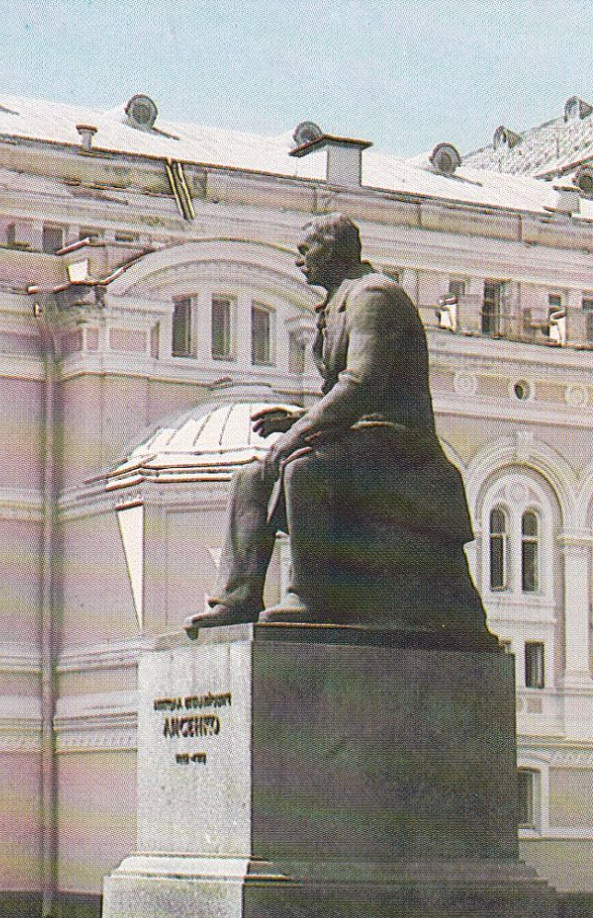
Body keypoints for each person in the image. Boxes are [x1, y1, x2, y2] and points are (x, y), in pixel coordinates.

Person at [186, 213, 489, 637]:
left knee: (302, 468)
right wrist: (296, 421)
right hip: (359, 439)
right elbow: (345, 393)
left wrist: (296, 435)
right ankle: (236, 599)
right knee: (250, 477)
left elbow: (361, 384)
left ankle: (310, 595)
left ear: (331, 250)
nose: (299, 263)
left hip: (398, 446)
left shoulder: (375, 296)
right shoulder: (341, 300)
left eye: (304, 252)